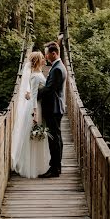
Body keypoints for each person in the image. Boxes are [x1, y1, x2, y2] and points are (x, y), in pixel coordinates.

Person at [11, 51, 50, 178]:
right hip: (35, 108)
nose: (45, 59)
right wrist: (35, 113)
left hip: (38, 106)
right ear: (38, 61)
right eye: (42, 58)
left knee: (36, 136)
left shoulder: (38, 73)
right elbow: (33, 94)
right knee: (34, 136)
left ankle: (38, 165)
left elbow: (32, 93)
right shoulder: (35, 76)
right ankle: (32, 167)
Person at [37, 41, 67, 178]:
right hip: (56, 107)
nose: (45, 56)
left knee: (54, 139)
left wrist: (34, 96)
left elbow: (49, 89)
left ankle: (54, 169)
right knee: (57, 138)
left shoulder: (57, 69)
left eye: (46, 53)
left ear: (53, 54)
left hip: (53, 108)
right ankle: (56, 167)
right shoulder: (58, 67)